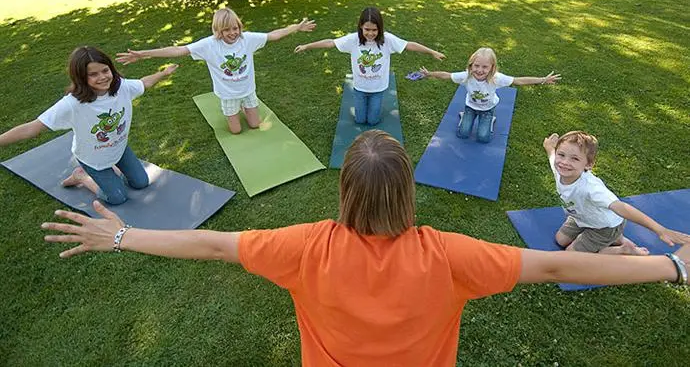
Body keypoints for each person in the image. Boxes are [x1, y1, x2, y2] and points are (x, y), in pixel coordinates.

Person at [42, 130, 688, 366]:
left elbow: (212, 246)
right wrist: (672, 264)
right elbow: (553, 265)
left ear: (346, 191)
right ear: (406, 190)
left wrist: (121, 234)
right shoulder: (450, 254)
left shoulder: (301, 247)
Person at [0, 46, 178, 205]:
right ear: (80, 77)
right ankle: (81, 176)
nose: (102, 77)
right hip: (93, 159)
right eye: (93, 74)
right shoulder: (72, 104)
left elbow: (144, 83)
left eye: (105, 70)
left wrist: (164, 73)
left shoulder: (121, 87)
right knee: (117, 198)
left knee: (141, 183)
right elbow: (33, 128)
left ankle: (112, 169)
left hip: (119, 148)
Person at [116, 8, 316, 134]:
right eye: (227, 30)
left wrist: (296, 28)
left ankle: (246, 108)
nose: (233, 33)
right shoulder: (209, 45)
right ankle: (231, 110)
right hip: (227, 94)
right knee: (236, 131)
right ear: (218, 31)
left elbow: (273, 35)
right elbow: (179, 50)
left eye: (235, 28)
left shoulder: (247, 39)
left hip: (248, 90)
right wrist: (143, 54)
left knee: (255, 125)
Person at [543, 131, 690, 255]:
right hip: (582, 217)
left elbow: (621, 207)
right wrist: (549, 147)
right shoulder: (560, 168)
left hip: (604, 227)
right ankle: (618, 238)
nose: (564, 162)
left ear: (588, 164)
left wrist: (660, 230)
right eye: (561, 155)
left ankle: (623, 249)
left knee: (570, 254)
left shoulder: (591, 188)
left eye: (574, 158)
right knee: (560, 239)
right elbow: (552, 156)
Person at [294, 6, 445, 125]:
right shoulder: (353, 40)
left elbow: (409, 45)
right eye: (367, 29)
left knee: (372, 120)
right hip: (360, 87)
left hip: (378, 88)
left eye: (374, 30)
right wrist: (307, 46)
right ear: (361, 27)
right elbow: (330, 42)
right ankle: (368, 107)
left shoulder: (387, 40)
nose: (371, 33)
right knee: (359, 120)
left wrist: (431, 52)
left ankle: (375, 107)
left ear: (380, 28)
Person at [420, 47, 560, 143]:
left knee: (483, 138)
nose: (480, 70)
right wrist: (429, 74)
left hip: (487, 110)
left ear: (492, 68)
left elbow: (519, 80)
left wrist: (542, 80)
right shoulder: (466, 76)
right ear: (471, 65)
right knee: (462, 134)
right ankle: (464, 116)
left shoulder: (496, 79)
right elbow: (447, 75)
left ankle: (490, 120)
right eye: (476, 66)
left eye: (485, 67)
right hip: (470, 107)